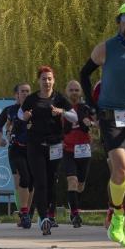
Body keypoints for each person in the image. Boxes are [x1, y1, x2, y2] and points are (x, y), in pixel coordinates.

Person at [81, 1, 125, 247]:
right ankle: (117, 215)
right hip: (112, 116)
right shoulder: (106, 48)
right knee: (121, 169)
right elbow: (84, 73)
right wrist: (92, 104)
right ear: (118, 22)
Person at [20, 66, 77, 236]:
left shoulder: (59, 98)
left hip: (55, 146)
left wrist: (62, 112)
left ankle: (48, 215)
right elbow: (20, 115)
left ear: (54, 80)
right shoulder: (31, 99)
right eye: (44, 79)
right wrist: (25, 117)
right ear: (38, 80)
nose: (47, 82)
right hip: (35, 145)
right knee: (41, 181)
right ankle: (44, 217)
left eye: (49, 78)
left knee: (52, 182)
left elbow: (75, 117)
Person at [0, 83, 34, 228]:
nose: (24, 94)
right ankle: (23, 213)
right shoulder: (10, 110)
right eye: (22, 91)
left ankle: (27, 214)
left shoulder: (35, 109)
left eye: (27, 91)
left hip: (32, 149)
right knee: (21, 179)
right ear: (16, 94)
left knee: (30, 183)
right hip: (15, 149)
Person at [62, 80, 96, 228]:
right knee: (72, 181)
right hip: (67, 149)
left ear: (80, 92)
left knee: (81, 185)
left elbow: (97, 125)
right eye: (71, 90)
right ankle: (75, 214)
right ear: (66, 92)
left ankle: (74, 206)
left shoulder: (86, 108)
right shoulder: (60, 109)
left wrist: (91, 123)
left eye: (77, 90)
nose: (74, 93)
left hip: (83, 150)